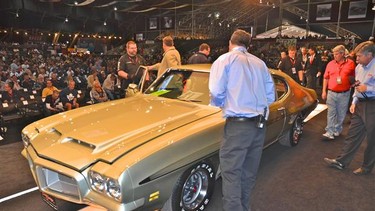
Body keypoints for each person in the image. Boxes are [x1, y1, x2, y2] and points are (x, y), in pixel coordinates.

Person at [209, 29, 275, 211]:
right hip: (259, 126)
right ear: (248, 45)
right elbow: (271, 96)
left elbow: (215, 91)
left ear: (231, 42)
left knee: (231, 174)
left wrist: (219, 103)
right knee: (248, 173)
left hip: (237, 127)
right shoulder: (260, 63)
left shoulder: (225, 60)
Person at [324, 41, 375, 175]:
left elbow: (365, 87)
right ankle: (342, 161)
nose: (356, 59)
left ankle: (366, 167)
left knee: (372, 139)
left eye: (359, 56)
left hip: (373, 105)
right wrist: (354, 101)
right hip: (360, 104)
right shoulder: (359, 67)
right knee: (352, 134)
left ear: (369, 55)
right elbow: (357, 86)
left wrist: (369, 88)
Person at [321, 45, 356, 140]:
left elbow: (354, 77)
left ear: (342, 54)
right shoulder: (330, 64)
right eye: (334, 54)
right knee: (331, 113)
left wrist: (354, 85)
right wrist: (324, 91)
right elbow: (325, 78)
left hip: (344, 93)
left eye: (336, 54)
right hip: (331, 93)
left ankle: (337, 128)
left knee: (341, 113)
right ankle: (329, 131)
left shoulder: (351, 63)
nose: (334, 56)